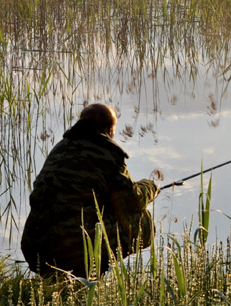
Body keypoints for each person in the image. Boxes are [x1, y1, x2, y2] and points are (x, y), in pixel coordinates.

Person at [21, 103, 159, 278]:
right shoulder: (107, 153)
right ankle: (91, 274)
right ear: (109, 129)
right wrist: (150, 186)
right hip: (71, 251)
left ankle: (62, 277)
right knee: (142, 221)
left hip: (34, 249)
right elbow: (132, 202)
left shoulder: (60, 148)